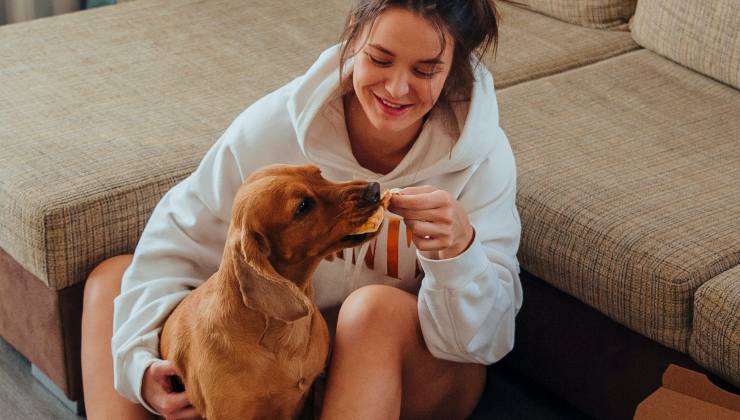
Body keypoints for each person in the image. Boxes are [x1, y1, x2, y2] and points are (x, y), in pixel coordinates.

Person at [81, 0, 522, 419]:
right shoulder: (274, 127)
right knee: (111, 282)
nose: (396, 88)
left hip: (414, 377)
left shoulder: (483, 160)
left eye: (425, 70)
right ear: (354, 36)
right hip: (277, 370)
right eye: (380, 59)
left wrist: (461, 255)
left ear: (457, 67)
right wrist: (139, 369)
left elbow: (485, 342)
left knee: (371, 311)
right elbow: (180, 240)